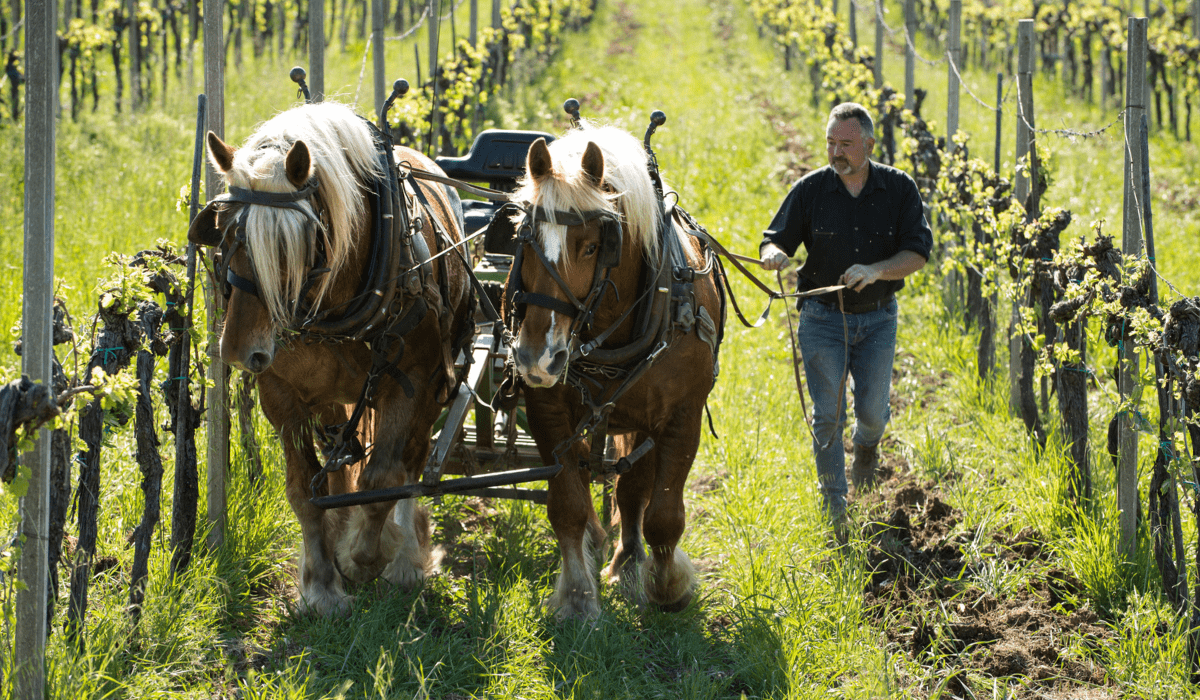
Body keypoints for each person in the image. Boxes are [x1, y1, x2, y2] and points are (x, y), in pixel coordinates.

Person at [759, 102, 933, 535]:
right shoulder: (810, 189)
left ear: (870, 145)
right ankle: (835, 503)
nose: (836, 152)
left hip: (877, 320)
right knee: (828, 414)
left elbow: (918, 253)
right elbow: (772, 239)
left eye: (846, 144)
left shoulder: (899, 189)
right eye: (831, 143)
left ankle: (867, 448)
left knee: (872, 413)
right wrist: (774, 255)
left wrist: (876, 270)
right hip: (821, 319)